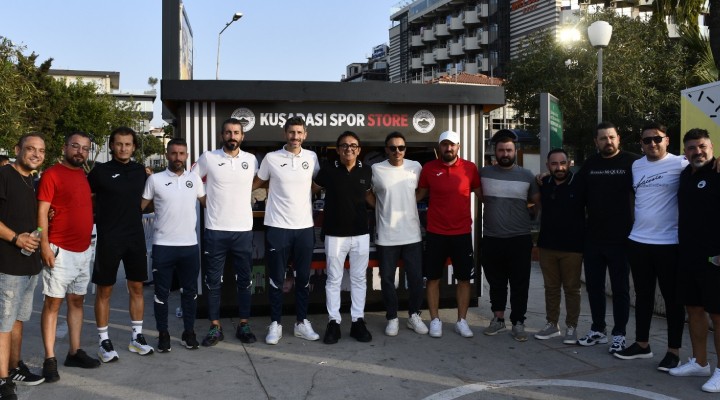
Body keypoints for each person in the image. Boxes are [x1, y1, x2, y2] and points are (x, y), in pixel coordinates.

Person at [613, 122, 687, 371]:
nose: (652, 143)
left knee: (672, 300)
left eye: (657, 139)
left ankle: (673, 352)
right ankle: (642, 344)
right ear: (641, 144)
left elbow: (706, 167)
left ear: (667, 140)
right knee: (642, 297)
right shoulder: (636, 165)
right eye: (647, 140)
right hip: (638, 242)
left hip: (669, 243)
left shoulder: (681, 163)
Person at [37, 132, 100, 383]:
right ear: (65, 148)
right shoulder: (51, 174)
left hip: (83, 251)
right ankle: (49, 358)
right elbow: (42, 211)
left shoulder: (83, 175)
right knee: (53, 304)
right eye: (75, 146)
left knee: (77, 302)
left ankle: (74, 352)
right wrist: (44, 245)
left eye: (85, 148)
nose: (80, 151)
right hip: (59, 250)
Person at [252, 116, 320, 345]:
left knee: (303, 278)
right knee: (276, 278)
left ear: (305, 135)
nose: (295, 136)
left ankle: (301, 322)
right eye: (291, 132)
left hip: (304, 227)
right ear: (285, 134)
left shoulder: (311, 157)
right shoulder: (271, 158)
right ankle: (275, 323)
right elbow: (255, 184)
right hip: (278, 226)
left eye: (299, 132)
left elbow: (316, 185)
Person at [88, 127, 154, 362]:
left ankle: (136, 337)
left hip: (135, 238)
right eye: (119, 144)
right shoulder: (99, 172)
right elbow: (85, 199)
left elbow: (148, 201)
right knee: (105, 290)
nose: (123, 148)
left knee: (136, 288)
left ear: (134, 147)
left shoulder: (142, 172)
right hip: (109, 238)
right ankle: (103, 341)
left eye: (128, 144)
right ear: (112, 146)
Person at [192, 118, 258, 346]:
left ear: (242, 136)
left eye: (236, 132)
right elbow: (192, 178)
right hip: (215, 230)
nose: (232, 136)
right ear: (222, 135)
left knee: (244, 281)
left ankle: (244, 324)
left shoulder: (251, 160)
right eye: (228, 132)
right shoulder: (209, 157)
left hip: (243, 231)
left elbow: (258, 182)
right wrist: (204, 201)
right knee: (213, 281)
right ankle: (215, 327)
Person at [576, 121, 639, 354]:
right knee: (594, 287)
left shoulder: (633, 162)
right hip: (593, 238)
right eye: (603, 138)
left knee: (620, 289)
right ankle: (598, 329)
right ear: (596, 142)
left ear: (618, 138)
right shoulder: (590, 164)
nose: (608, 141)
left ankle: (619, 334)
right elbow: (574, 191)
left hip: (622, 239)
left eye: (611, 137)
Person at [142, 138, 206, 352]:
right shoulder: (155, 180)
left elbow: (209, 203)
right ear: (167, 155)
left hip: (189, 246)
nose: (177, 157)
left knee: (190, 292)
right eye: (173, 153)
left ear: (186, 156)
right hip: (163, 246)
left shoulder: (194, 179)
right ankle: (163, 334)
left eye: (181, 153)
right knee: (161, 294)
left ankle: (189, 333)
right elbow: (140, 206)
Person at [416, 130, 481, 339]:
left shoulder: (470, 168)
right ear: (439, 147)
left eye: (452, 144)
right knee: (433, 278)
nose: (449, 148)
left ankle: (462, 321)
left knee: (464, 279)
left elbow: (483, 195)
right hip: (435, 233)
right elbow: (419, 195)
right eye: (445, 144)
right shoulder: (429, 168)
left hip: (462, 233)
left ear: (458, 146)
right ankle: (435, 320)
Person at [669, 128, 720, 393]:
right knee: (694, 310)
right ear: (684, 152)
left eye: (702, 146)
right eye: (691, 147)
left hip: (716, 258)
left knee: (718, 314)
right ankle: (700, 363)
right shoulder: (684, 175)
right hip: (688, 254)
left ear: (711, 147)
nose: (697, 151)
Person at [480, 129, 540, 342]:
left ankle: (518, 322)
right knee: (496, 282)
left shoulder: (527, 176)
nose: (505, 154)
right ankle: (498, 319)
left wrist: (531, 219)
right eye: (501, 150)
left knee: (519, 283)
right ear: (494, 151)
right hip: (492, 238)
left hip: (519, 238)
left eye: (509, 150)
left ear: (515, 151)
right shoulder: (483, 173)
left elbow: (537, 202)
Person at [314, 131, 373, 344]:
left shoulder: (366, 170)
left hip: (361, 233)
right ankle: (334, 322)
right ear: (338, 149)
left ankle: (358, 321)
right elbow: (311, 189)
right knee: (334, 279)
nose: (349, 149)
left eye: (353, 145)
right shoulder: (328, 169)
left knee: (359, 279)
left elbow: (369, 196)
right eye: (344, 145)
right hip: (334, 233)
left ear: (359, 149)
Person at [367, 132, 428, 337]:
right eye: (392, 148)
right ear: (386, 149)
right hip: (387, 235)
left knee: (416, 278)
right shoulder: (376, 169)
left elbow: (422, 191)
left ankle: (414, 315)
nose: (397, 151)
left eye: (401, 147)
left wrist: (409, 202)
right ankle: (392, 317)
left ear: (405, 149)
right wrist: (381, 208)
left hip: (412, 234)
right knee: (386, 279)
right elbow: (368, 194)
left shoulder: (415, 166)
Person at [0, 133, 46, 399]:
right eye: (31, 149)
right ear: (17, 149)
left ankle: (14, 367)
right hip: (7, 265)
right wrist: (16, 238)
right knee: (4, 324)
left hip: (29, 265)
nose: (36, 154)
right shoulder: (4, 175)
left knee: (18, 320)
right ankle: (2, 380)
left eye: (41, 150)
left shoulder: (32, 181)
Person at [534, 148, 585, 344]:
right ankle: (552, 324)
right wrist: (540, 177)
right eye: (554, 164)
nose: (559, 167)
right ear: (548, 166)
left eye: (562, 163)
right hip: (547, 245)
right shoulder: (544, 183)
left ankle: (571, 327)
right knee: (551, 288)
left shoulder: (579, 183)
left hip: (572, 247)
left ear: (569, 163)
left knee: (572, 289)